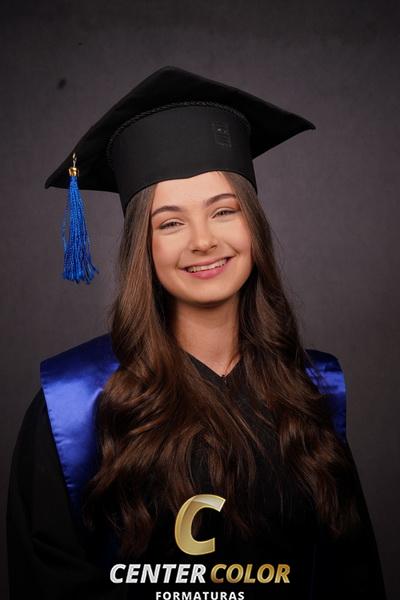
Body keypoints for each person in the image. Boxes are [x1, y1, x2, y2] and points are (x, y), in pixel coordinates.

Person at [7, 66, 387, 599]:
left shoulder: (312, 391)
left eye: (223, 211)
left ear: (252, 225)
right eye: (170, 222)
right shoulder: (75, 406)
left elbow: (352, 577)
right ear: (144, 247)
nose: (203, 240)